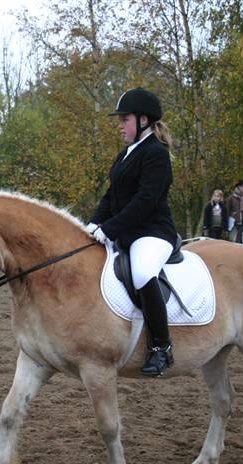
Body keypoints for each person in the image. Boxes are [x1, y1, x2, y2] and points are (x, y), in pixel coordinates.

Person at [85, 87, 177, 377]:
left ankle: (162, 347)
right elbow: (110, 197)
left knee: (142, 271)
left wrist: (109, 229)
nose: (120, 125)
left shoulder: (156, 155)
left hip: (152, 232)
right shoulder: (125, 154)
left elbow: (145, 201)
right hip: (126, 232)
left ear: (143, 120)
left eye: (124, 119)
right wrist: (93, 223)